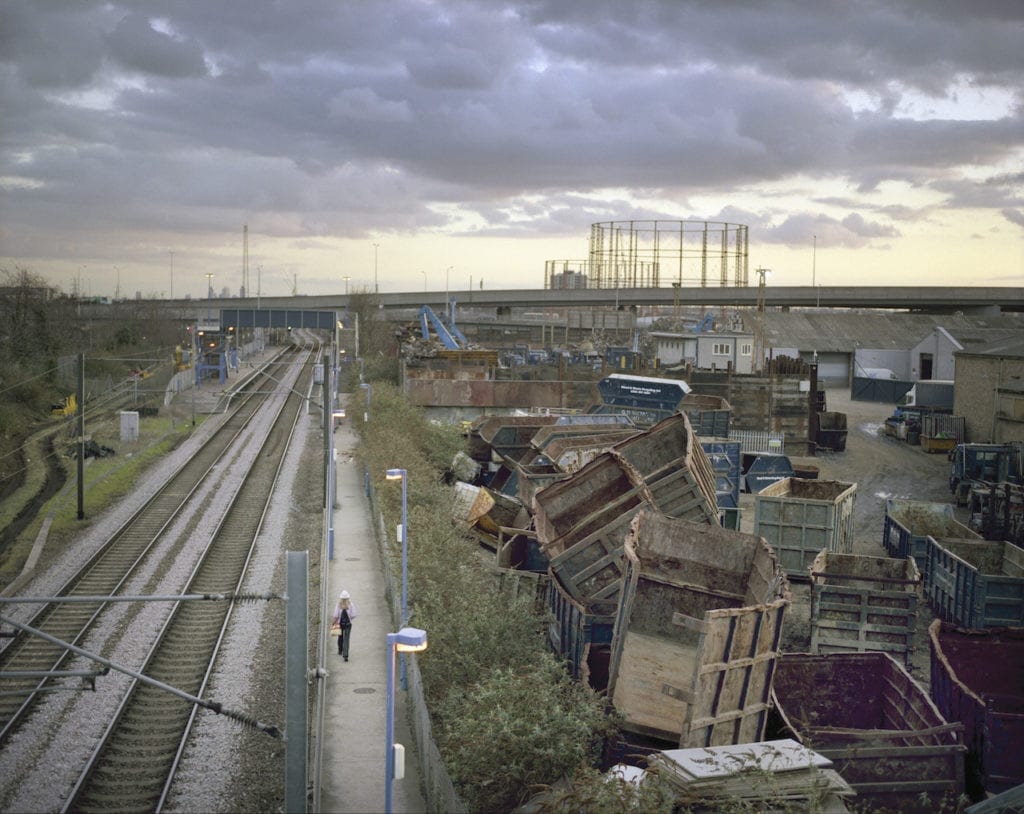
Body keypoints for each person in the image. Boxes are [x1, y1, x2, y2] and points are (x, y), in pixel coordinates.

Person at [332, 590, 357, 660]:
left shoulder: (338, 604)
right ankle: (345, 655)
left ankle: (340, 650)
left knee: (340, 637)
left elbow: (335, 615)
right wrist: (350, 619)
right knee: (346, 639)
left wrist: (334, 621)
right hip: (348, 624)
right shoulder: (350, 604)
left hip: (340, 623)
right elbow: (354, 614)